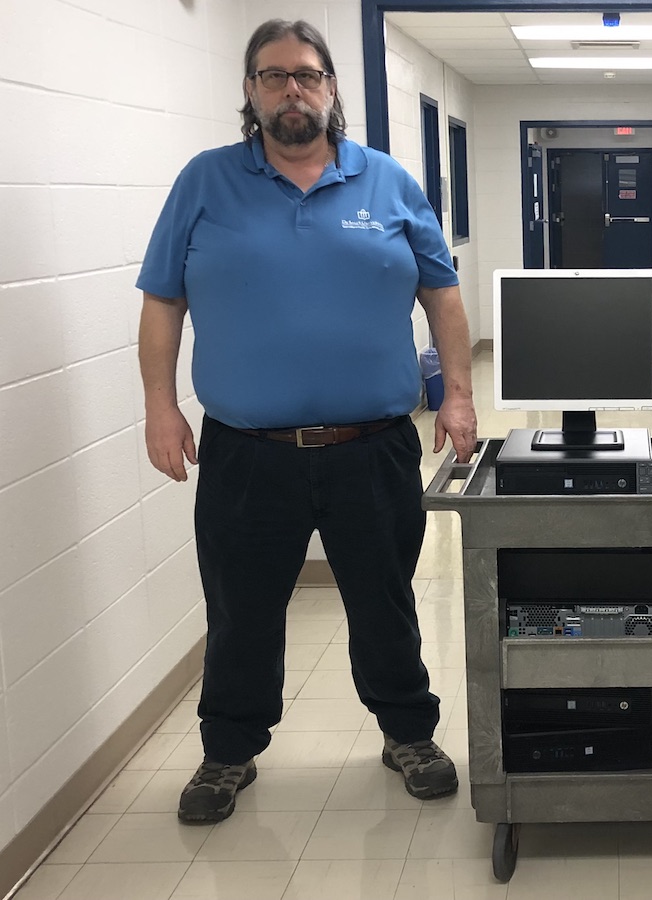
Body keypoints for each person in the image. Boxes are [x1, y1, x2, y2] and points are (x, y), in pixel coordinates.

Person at [136, 19, 478, 824]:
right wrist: (159, 407)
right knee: (242, 606)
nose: (293, 89)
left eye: (308, 74)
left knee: (384, 598)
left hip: (373, 447)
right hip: (247, 451)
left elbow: (444, 297)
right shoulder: (205, 182)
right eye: (273, 75)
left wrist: (457, 394)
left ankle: (407, 734)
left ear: (331, 88)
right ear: (250, 94)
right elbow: (162, 302)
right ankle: (228, 752)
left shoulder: (388, 181)